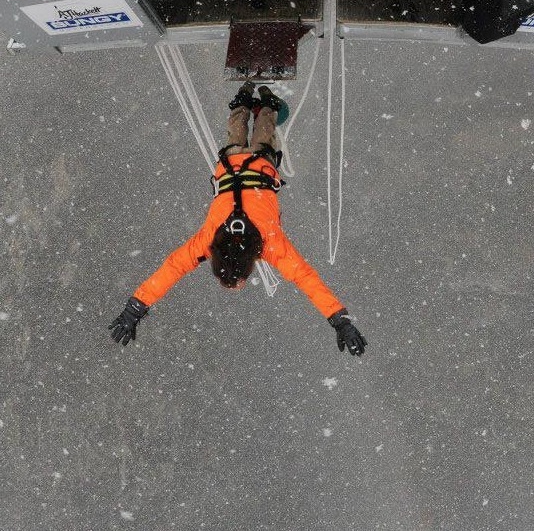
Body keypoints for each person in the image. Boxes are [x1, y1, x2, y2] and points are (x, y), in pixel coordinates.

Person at [109, 82, 367, 357]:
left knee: (264, 130)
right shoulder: (208, 241)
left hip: (260, 164)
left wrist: (339, 320)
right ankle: (243, 101)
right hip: (231, 164)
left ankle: (266, 104)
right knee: (236, 133)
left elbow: (306, 279)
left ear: (248, 266)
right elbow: (172, 269)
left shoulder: (270, 244)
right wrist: (135, 305)